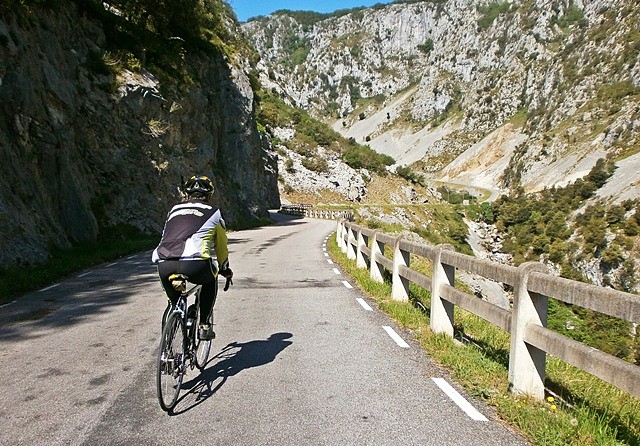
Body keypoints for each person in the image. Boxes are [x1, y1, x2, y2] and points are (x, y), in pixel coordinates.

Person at [152, 175, 233, 340]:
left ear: (187, 194)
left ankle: (168, 343)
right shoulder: (214, 212)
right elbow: (221, 246)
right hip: (195, 264)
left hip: (164, 263)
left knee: (174, 303)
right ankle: (204, 325)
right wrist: (225, 269)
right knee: (211, 279)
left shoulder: (173, 210)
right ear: (209, 195)